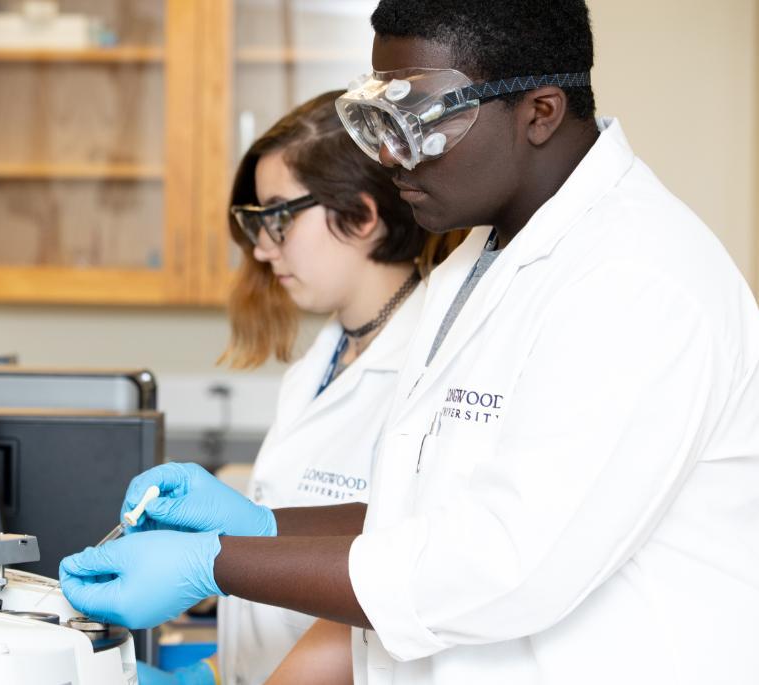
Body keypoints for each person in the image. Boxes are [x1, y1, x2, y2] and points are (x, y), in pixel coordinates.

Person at [60, 2, 759, 684]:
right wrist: (264, 523)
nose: (392, 157)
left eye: (424, 121)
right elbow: (423, 513)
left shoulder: (638, 279)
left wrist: (214, 562)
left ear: (539, 113)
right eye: (381, 121)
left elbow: (499, 564)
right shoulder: (477, 260)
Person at [136, 92, 456, 685]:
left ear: (361, 217)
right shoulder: (322, 359)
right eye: (255, 222)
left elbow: (382, 588)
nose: (260, 248)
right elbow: (274, 609)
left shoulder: (435, 370)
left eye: (278, 217)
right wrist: (212, 673)